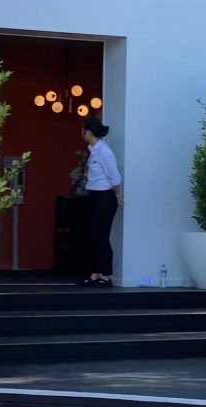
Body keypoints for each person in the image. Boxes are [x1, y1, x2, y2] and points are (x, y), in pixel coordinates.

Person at [79, 116, 122, 287]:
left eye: (84, 130)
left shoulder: (105, 151)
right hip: (94, 195)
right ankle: (95, 273)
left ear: (89, 132)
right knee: (94, 235)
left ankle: (106, 275)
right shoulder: (93, 151)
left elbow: (114, 176)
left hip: (105, 196)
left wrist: (118, 195)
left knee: (101, 235)